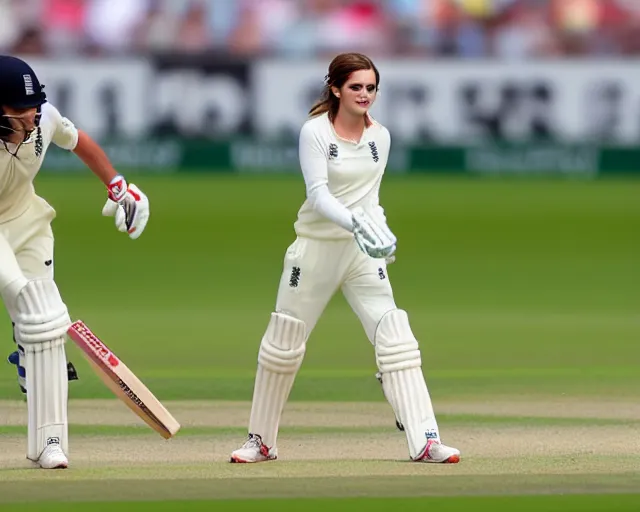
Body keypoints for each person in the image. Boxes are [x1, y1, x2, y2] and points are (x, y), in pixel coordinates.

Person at [230, 53, 460, 464]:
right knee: (283, 343)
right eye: (356, 87)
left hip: (360, 254)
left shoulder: (380, 138)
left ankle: (426, 439)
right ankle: (260, 441)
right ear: (336, 88)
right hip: (315, 250)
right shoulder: (315, 132)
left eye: (371, 88)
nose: (365, 95)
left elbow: (371, 198)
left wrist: (382, 237)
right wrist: (358, 224)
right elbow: (318, 195)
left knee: (396, 337)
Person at [0, 55, 150, 469]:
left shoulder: (43, 118)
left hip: (27, 221)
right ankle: (27, 345)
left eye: (33, 111)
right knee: (32, 311)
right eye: (19, 114)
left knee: (46, 331)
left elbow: (77, 140)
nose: (31, 122)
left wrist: (118, 187)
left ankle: (49, 444)